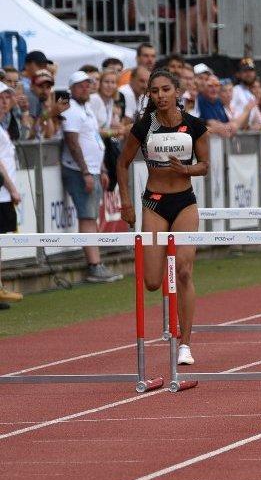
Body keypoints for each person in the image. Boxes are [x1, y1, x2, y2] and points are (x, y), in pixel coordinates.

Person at [116, 68, 208, 364]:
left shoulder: (194, 125)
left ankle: (186, 343)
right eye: (155, 91)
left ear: (177, 91)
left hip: (184, 202)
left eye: (166, 90)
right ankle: (171, 326)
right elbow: (123, 163)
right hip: (154, 203)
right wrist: (126, 203)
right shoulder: (144, 126)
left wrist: (187, 169)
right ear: (150, 95)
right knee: (153, 282)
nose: (160, 96)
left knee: (183, 270)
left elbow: (205, 165)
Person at [62, 72, 120, 283]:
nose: (85, 88)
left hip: (93, 169)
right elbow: (73, 143)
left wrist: (102, 169)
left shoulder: (86, 109)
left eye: (88, 85)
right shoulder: (70, 109)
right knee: (87, 216)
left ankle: (97, 263)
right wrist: (86, 171)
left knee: (91, 216)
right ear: (72, 88)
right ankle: (94, 265)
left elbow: (95, 139)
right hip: (80, 170)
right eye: (80, 85)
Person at [0, 85, 23, 306]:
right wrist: (12, 188)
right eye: (1, 97)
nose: (5, 101)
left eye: (7, 96)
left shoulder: (3, 125)